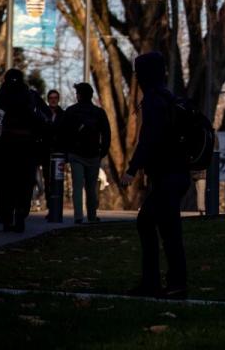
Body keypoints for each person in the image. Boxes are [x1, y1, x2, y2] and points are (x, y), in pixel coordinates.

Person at [120, 52, 190, 299]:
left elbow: (149, 139)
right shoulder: (168, 97)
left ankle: (170, 283)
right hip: (178, 173)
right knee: (155, 224)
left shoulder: (152, 100)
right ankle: (161, 282)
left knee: (161, 227)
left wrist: (131, 169)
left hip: (168, 175)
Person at [0, 68, 45, 233]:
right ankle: (21, 213)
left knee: (4, 184)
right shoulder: (31, 97)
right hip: (26, 148)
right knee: (24, 183)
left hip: (3, 148)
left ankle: (6, 216)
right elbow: (43, 120)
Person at [57, 83, 111, 224]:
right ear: (91, 95)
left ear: (79, 95)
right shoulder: (99, 112)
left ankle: (78, 216)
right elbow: (106, 133)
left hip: (76, 154)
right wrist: (102, 151)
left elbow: (62, 133)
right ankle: (92, 216)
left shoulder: (71, 111)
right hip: (93, 154)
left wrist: (66, 151)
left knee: (78, 186)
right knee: (91, 187)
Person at [39, 89, 64, 219]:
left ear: (58, 99)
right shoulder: (42, 113)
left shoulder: (63, 114)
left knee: (58, 180)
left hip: (59, 153)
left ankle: (57, 208)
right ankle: (50, 207)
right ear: (48, 99)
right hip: (45, 151)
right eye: (51, 98)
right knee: (47, 180)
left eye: (55, 98)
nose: (53, 100)